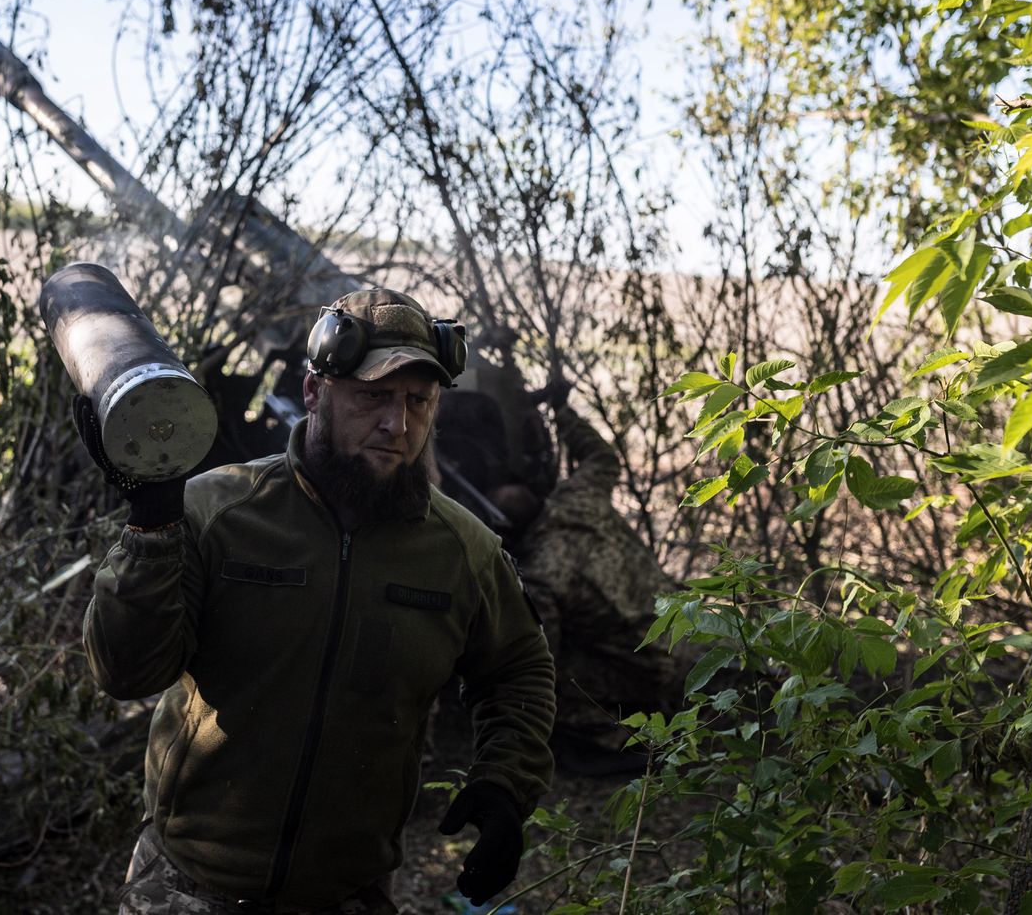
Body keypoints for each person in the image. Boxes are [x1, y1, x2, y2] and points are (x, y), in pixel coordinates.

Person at [80, 288, 556, 914]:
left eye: (419, 401)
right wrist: (150, 531)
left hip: (348, 894)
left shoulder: (463, 551)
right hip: (189, 886)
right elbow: (124, 671)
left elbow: (520, 668)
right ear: (315, 392)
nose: (399, 425)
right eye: (373, 396)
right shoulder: (217, 511)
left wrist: (504, 786)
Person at [491, 379, 679, 778]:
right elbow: (601, 456)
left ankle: (613, 740)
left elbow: (542, 662)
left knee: (555, 679)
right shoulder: (580, 496)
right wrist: (564, 413)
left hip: (650, 672)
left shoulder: (542, 573)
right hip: (684, 640)